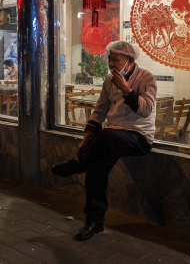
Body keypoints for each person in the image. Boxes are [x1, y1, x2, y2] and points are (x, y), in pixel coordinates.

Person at [52, 41, 156, 241]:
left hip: (138, 137)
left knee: (106, 135)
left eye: (115, 59)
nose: (111, 63)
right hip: (111, 137)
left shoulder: (146, 78)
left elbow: (145, 110)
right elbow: (99, 111)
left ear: (129, 60)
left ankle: (77, 165)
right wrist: (84, 143)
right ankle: (94, 222)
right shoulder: (109, 80)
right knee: (96, 169)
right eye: (109, 59)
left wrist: (126, 89)